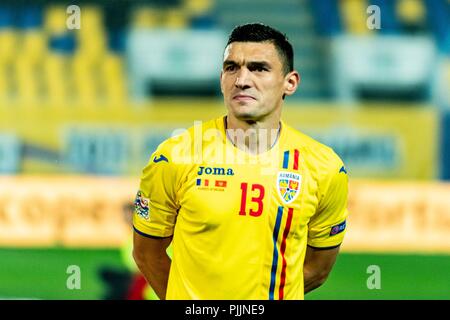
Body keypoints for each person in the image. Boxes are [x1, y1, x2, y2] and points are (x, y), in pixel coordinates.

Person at [132, 23, 349, 300]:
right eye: (232, 67)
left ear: (290, 82)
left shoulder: (325, 168)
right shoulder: (175, 156)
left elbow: (317, 269)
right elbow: (147, 254)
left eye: (259, 68)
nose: (242, 80)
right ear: (221, 78)